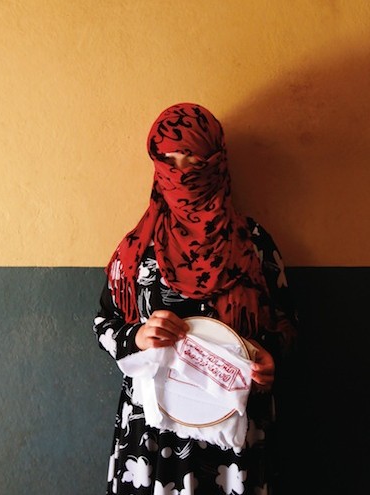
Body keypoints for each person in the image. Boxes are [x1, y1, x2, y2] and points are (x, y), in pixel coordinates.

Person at [93, 102, 299, 495]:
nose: (181, 173)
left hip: (234, 438)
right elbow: (103, 322)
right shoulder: (139, 250)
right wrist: (137, 337)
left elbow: (288, 327)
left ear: (216, 163)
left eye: (193, 160)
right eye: (169, 161)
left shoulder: (254, 246)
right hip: (154, 441)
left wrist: (270, 358)